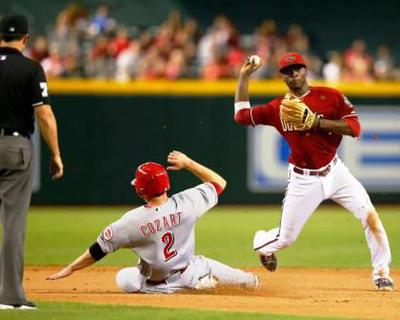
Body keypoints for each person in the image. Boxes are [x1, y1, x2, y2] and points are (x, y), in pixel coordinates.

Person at [233, 52, 394, 291]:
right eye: (287, 71)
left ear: (305, 70)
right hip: (303, 179)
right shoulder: (278, 107)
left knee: (370, 216)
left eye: (297, 69)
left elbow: (355, 128)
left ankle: (381, 272)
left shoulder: (331, 96)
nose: (293, 74)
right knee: (285, 239)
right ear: (283, 78)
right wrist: (243, 76)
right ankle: (262, 246)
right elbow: (241, 116)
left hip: (336, 172)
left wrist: (317, 122)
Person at [47, 151, 258, 293]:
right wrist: (188, 163)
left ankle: (185, 288)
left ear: (139, 190)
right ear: (166, 185)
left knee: (124, 278)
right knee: (250, 282)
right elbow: (219, 182)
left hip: (156, 286)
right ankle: (199, 283)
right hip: (192, 270)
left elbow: (98, 250)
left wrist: (71, 269)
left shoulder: (131, 221)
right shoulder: (187, 202)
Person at [0, 15, 64, 310]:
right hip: (14, 146)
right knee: (13, 223)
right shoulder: (30, 68)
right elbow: (44, 115)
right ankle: (10, 298)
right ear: (25, 39)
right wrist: (55, 154)